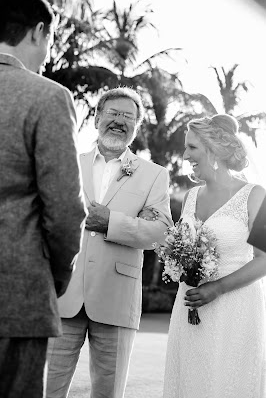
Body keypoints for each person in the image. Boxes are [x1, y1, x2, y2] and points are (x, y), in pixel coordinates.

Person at [46, 86, 173, 398]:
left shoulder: (154, 175)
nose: (120, 121)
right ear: (97, 119)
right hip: (61, 295)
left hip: (117, 299)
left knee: (109, 393)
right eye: (113, 114)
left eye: (128, 117)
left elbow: (160, 231)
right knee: (45, 389)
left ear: (136, 127)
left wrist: (111, 222)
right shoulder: (67, 162)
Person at [0, 0, 86, 397]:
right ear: (38, 31)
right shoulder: (46, 96)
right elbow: (66, 209)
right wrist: (55, 277)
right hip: (17, 296)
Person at [163, 114, 266, 398]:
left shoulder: (255, 195)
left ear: (213, 149)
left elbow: (264, 258)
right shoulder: (190, 197)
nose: (185, 156)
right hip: (189, 306)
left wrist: (217, 288)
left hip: (235, 310)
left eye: (192, 148)